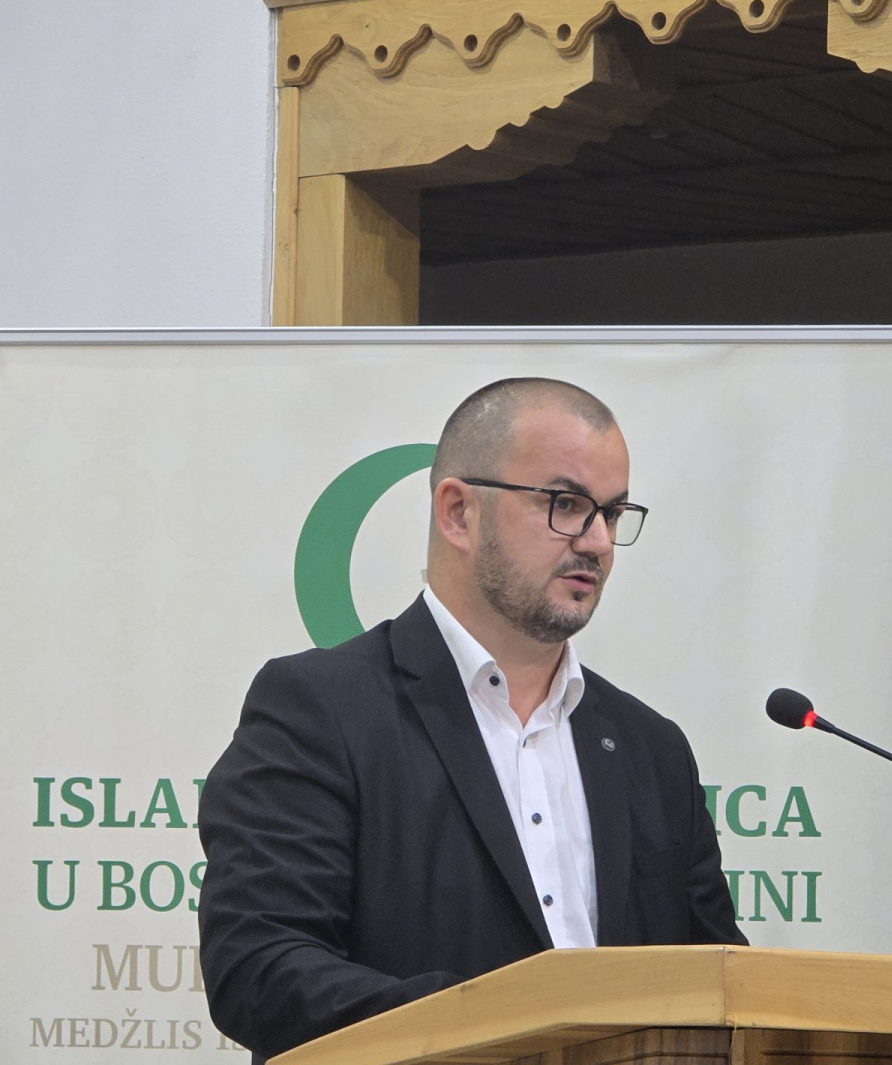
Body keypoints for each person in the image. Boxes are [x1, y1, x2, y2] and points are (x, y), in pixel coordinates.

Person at [198, 378, 745, 1062]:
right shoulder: (321, 709)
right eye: (566, 504)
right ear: (458, 513)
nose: (599, 541)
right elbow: (261, 968)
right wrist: (504, 1028)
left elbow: (718, 984)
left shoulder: (650, 748)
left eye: (612, 512)